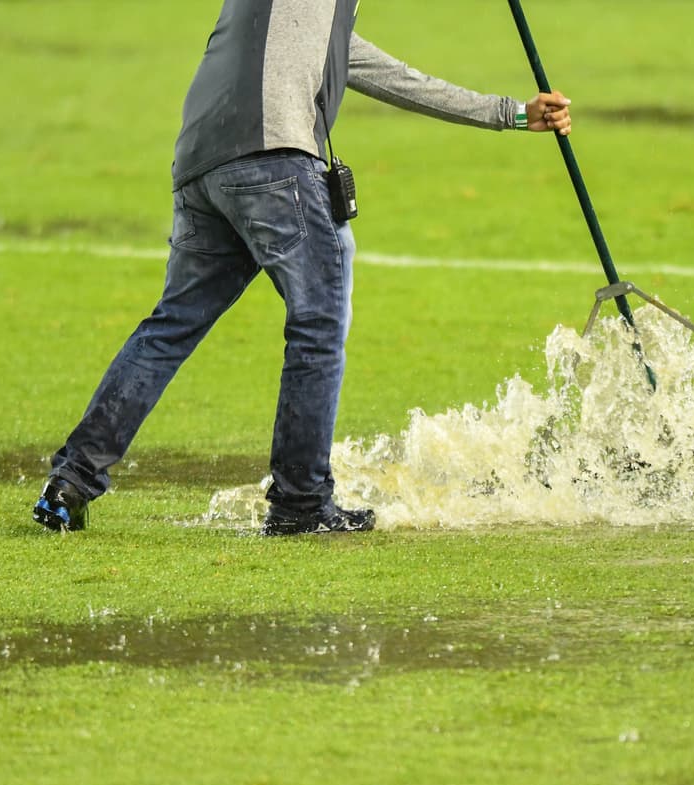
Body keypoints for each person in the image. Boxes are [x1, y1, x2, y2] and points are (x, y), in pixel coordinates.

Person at [33, 0, 572, 536]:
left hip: (201, 165)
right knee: (318, 321)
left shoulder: (312, 20)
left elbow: (391, 76)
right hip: (274, 161)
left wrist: (513, 113)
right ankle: (301, 502)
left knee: (171, 326)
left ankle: (72, 480)